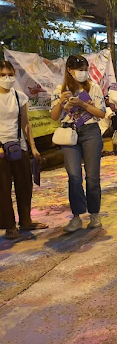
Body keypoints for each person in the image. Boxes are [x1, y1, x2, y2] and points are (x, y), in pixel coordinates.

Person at [50, 55, 107, 233]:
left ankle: (94, 213)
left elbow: (101, 113)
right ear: (69, 70)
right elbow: (54, 116)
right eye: (79, 70)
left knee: (92, 176)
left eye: (85, 70)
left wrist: (82, 103)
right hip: (69, 133)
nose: (83, 73)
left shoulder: (93, 87)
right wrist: (61, 103)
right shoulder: (60, 90)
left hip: (90, 132)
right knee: (74, 175)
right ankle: (76, 216)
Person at [0, 61, 48, 239]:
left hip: (18, 146)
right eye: (3, 75)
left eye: (10, 75)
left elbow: (26, 123)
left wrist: (32, 147)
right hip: (1, 149)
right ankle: (9, 225)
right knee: (3, 188)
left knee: (25, 185)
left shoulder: (19, 96)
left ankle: (26, 221)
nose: (7, 78)